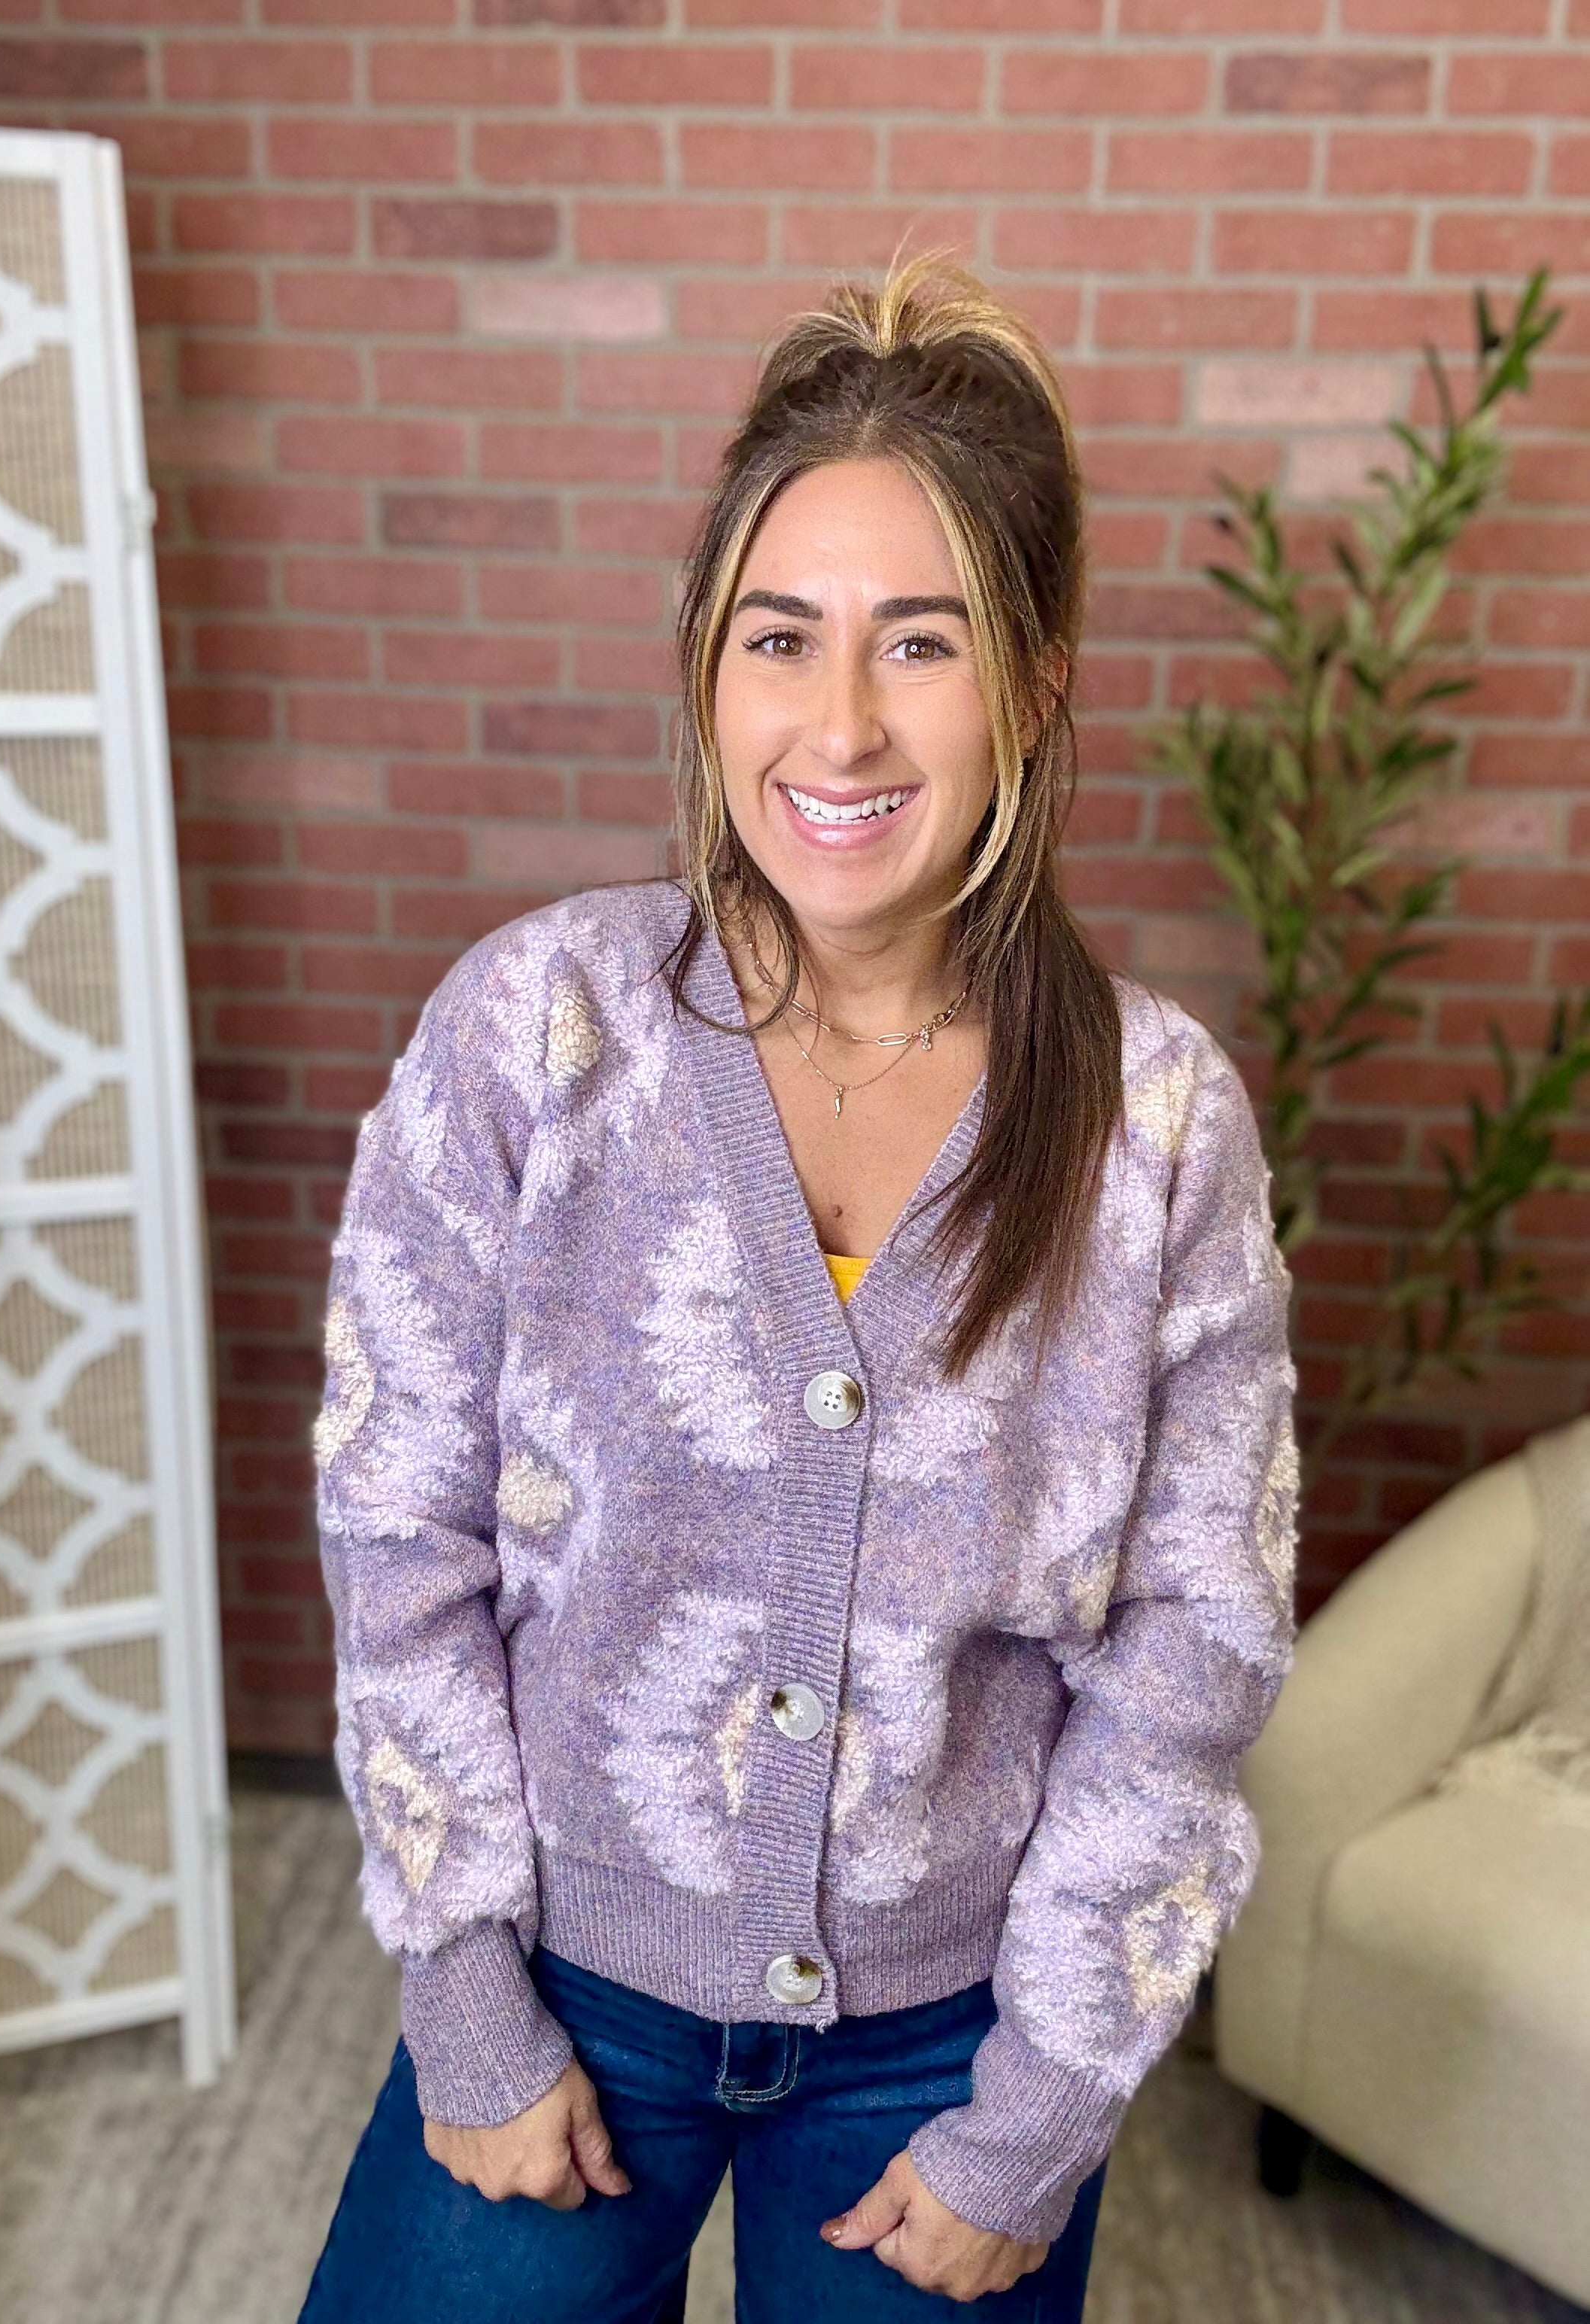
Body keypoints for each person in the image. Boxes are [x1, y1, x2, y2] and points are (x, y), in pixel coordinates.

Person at [299, 253, 1298, 2322]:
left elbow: (1194, 1644)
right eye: (781, 638)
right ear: (706, 669)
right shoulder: (535, 1033)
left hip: (949, 2056)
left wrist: (1036, 2112)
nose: (840, 724)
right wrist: (466, 1998)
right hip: (564, 1993)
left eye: (921, 643)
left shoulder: (1156, 1124)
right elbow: (399, 1529)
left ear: (1031, 687)